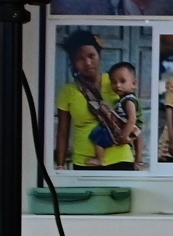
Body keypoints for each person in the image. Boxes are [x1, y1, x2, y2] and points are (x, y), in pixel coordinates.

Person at [54, 31, 135, 170]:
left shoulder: (116, 83)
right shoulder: (67, 91)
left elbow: (135, 117)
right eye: (80, 59)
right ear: (73, 62)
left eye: (91, 56)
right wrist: (60, 166)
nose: (87, 63)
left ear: (99, 55)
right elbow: (62, 132)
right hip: (84, 162)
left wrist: (139, 159)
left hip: (121, 159)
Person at [103, 61, 144, 167]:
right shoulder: (123, 99)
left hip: (131, 127)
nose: (118, 85)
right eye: (114, 82)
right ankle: (138, 161)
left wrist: (124, 135)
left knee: (98, 136)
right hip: (132, 127)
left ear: (134, 84)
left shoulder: (128, 100)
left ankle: (100, 158)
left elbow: (132, 118)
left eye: (122, 81)